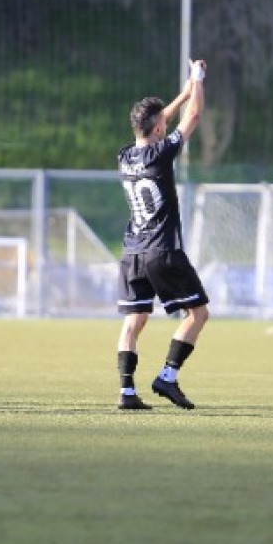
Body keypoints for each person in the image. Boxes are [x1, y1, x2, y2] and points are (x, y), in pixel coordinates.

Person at [115, 59, 209, 411]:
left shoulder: (125, 155)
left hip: (132, 252)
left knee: (133, 322)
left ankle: (126, 392)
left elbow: (158, 122)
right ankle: (167, 377)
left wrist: (183, 94)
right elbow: (194, 118)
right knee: (198, 315)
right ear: (157, 131)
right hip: (162, 250)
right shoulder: (161, 152)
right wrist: (197, 82)